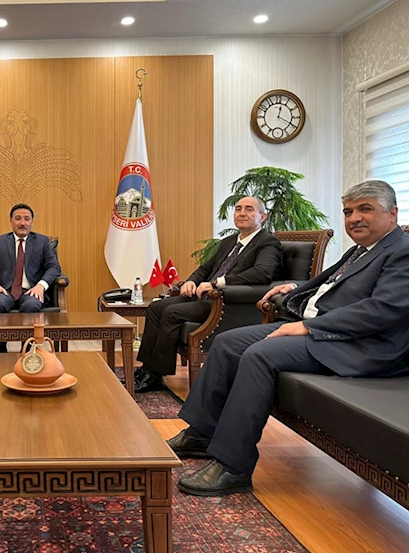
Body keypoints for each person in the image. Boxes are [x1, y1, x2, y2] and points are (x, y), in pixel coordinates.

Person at [170, 180, 409, 497]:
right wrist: (296, 288)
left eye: (365, 209)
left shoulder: (401, 252)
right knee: (227, 342)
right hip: (326, 331)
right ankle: (201, 434)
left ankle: (233, 466)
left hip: (360, 345)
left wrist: (310, 327)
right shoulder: (361, 250)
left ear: (392, 213)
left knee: (260, 354)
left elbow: (384, 310)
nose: (354, 218)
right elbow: (328, 283)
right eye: (348, 211)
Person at [134, 197, 283, 392]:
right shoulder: (229, 242)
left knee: (172, 313)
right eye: (238, 209)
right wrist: (191, 281)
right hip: (204, 296)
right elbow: (206, 268)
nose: (242, 213)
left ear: (262, 217)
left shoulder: (268, 242)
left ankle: (156, 374)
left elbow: (262, 273)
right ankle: (146, 368)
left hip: (227, 302)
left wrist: (218, 283)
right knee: (155, 308)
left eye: (249, 209)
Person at [0, 203, 61, 352]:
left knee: (32, 305)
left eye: (26, 219)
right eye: (18, 218)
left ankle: (26, 349)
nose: (22, 223)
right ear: (11, 221)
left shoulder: (42, 241)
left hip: (31, 290)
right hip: (5, 290)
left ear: (32, 221)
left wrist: (41, 286)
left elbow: (54, 267)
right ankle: (1, 349)